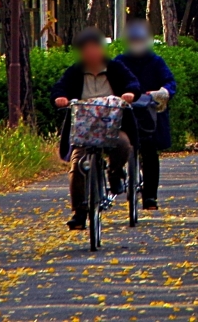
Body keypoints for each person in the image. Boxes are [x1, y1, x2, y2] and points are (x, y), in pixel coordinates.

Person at [49, 29, 139, 230]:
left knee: (123, 145)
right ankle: (80, 212)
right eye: (86, 50)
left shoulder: (116, 68)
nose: (91, 54)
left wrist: (129, 93)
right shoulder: (75, 72)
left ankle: (115, 175)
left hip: (113, 126)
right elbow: (59, 88)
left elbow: (132, 83)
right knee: (78, 164)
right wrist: (60, 98)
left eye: (94, 49)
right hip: (85, 129)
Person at [110, 20, 177, 210]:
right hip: (124, 113)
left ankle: (150, 197)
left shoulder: (155, 62)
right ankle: (116, 175)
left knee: (149, 150)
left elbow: (169, 82)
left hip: (148, 114)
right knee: (117, 145)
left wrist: (162, 92)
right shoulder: (120, 62)